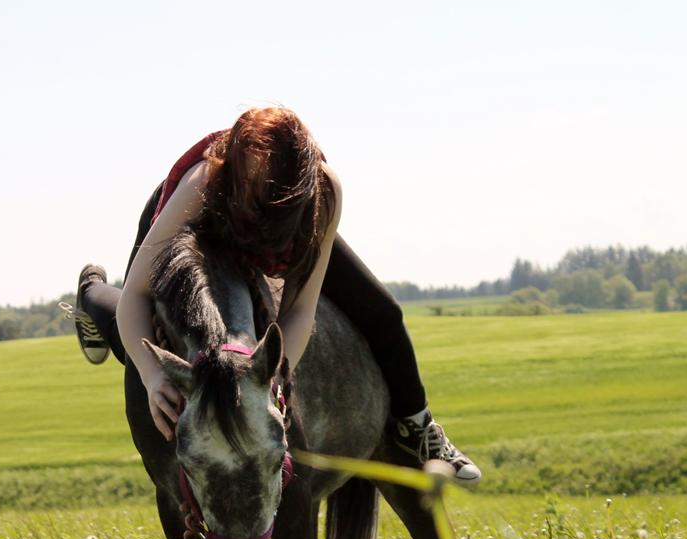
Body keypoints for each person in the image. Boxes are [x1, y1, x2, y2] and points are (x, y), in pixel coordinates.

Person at [64, 107, 480, 484]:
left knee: (384, 313)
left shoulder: (324, 191)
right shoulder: (203, 182)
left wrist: (277, 375)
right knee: (144, 333)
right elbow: (137, 295)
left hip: (287, 229)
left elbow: (301, 307)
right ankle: (91, 293)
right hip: (203, 225)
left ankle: (419, 427)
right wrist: (154, 376)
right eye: (257, 189)